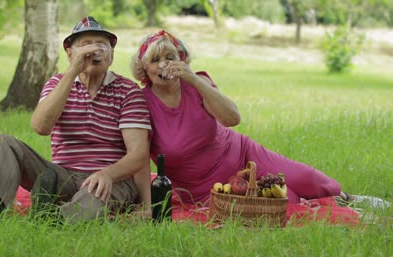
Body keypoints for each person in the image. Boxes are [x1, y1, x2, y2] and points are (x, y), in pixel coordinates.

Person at [0, 16, 152, 223]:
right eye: (85, 46)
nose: (94, 50)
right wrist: (74, 70)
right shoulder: (57, 83)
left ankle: (53, 220)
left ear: (111, 54)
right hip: (62, 175)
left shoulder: (128, 91)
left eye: (101, 45)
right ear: (70, 53)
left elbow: (138, 154)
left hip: (110, 179)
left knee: (94, 193)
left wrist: (107, 175)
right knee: (3, 143)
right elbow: (40, 127)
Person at [130, 30, 344, 205]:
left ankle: (347, 198)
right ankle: (319, 204)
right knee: (287, 201)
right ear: (144, 68)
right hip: (203, 188)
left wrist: (193, 80)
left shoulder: (198, 83)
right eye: (155, 60)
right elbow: (139, 156)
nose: (164, 64)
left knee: (305, 178)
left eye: (170, 57)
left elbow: (232, 118)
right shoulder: (141, 103)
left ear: (182, 60)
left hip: (243, 154)